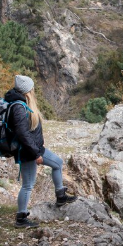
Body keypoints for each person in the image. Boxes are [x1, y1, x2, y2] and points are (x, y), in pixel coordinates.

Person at [5, 75, 75, 228]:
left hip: (35, 149)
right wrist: (36, 154)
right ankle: (21, 218)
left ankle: (61, 195)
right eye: (32, 87)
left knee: (58, 163)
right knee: (28, 185)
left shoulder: (23, 103)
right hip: (28, 152)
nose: (34, 89)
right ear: (28, 90)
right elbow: (22, 134)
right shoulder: (18, 107)